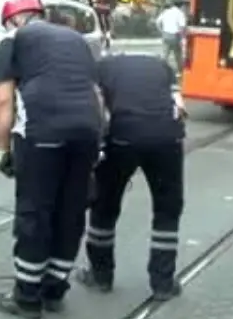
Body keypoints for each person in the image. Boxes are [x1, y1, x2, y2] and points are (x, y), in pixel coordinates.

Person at [0, 0, 106, 319]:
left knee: (35, 212)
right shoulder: (77, 40)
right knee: (70, 211)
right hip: (85, 131)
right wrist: (96, 141)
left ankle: (27, 297)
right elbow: (96, 95)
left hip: (42, 133)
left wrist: (3, 150)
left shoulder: (13, 39)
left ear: (13, 20)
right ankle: (54, 290)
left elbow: (3, 100)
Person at [78, 53, 187, 301]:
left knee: (104, 205)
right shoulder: (162, 66)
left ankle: (101, 274)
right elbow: (178, 105)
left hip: (123, 135)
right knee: (167, 209)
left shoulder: (101, 67)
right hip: (166, 138)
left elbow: (96, 106)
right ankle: (163, 282)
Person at [155, 0, 187, 73]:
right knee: (178, 55)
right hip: (175, 36)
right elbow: (182, 26)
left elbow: (157, 22)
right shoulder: (180, 13)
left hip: (166, 35)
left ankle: (161, 70)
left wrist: (161, 31)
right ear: (181, 6)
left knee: (165, 54)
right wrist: (183, 37)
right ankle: (180, 71)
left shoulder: (166, 12)